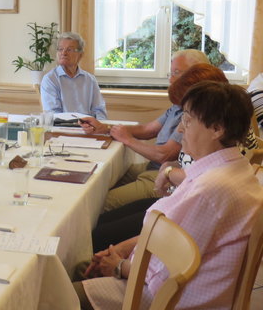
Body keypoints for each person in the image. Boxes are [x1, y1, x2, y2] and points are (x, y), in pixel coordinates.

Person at [76, 81, 263, 310]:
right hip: (173, 281)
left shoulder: (210, 190)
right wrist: (123, 249)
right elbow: (174, 233)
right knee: (83, 265)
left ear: (217, 129)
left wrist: (118, 266)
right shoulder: (235, 168)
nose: (181, 129)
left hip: (172, 298)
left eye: (187, 120)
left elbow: (165, 275)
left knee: (58, 291)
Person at [88, 63, 229, 253]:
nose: (180, 129)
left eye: (177, 71)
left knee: (98, 215)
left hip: (168, 203)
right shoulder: (213, 144)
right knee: (101, 202)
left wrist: (120, 261)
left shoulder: (214, 160)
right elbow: (187, 169)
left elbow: (176, 240)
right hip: (168, 197)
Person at [80, 49, 209, 211]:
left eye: (176, 73)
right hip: (156, 168)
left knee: (99, 203)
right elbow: (148, 129)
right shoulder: (179, 104)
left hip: (162, 175)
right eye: (171, 73)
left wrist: (128, 140)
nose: (171, 78)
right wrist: (104, 128)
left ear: (195, 75)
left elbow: (164, 155)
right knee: (98, 179)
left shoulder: (194, 111)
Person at [40, 32, 107, 119]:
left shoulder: (90, 79)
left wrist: (97, 126)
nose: (63, 53)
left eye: (69, 49)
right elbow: (53, 113)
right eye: (60, 49)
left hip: (89, 128)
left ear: (80, 55)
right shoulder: (50, 79)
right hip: (62, 128)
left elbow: (99, 110)